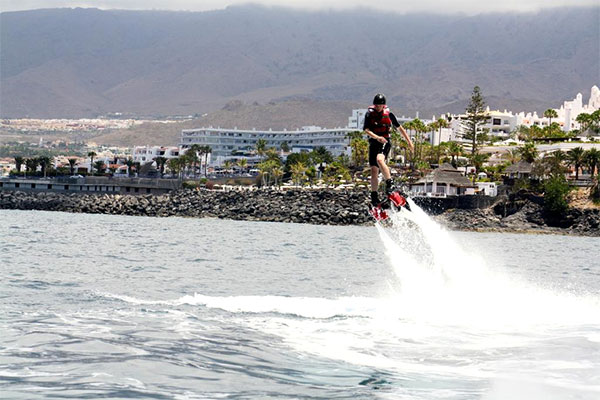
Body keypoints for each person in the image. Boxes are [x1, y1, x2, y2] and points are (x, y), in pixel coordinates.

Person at [363, 93, 414, 206]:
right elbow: (366, 129)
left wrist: (409, 142)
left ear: (383, 105)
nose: (377, 107)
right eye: (376, 105)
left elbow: (401, 129)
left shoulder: (389, 114)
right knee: (374, 170)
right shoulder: (369, 115)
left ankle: (390, 184)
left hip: (385, 142)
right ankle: (374, 196)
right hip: (374, 143)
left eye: (379, 105)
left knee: (380, 160)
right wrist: (377, 137)